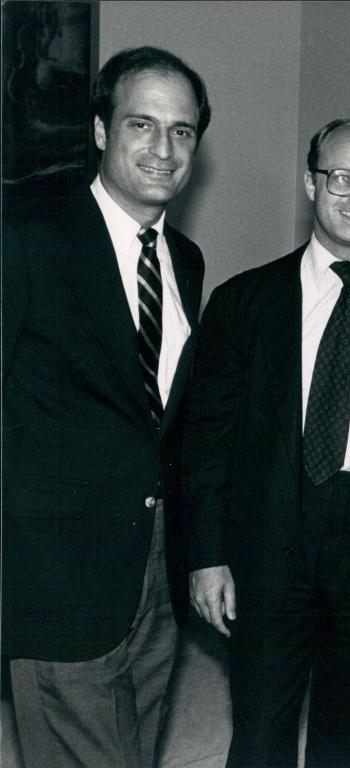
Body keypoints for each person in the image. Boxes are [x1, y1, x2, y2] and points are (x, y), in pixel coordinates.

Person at [183, 118, 350, 768]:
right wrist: (207, 556)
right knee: (260, 733)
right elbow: (206, 440)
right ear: (310, 183)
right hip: (271, 544)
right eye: (344, 178)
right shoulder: (245, 301)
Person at [2, 46, 210, 767]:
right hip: (55, 569)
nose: (163, 148)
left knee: (137, 749)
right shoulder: (26, 235)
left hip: (153, 571)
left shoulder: (185, 259)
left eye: (182, 131)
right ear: (99, 130)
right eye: (141, 125)